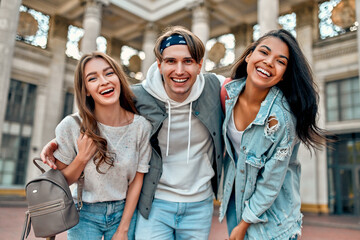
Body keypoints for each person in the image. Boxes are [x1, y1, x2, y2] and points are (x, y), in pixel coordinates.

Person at [41, 26, 224, 239]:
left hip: (198, 204)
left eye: (188, 61)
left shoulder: (215, 87)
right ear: (160, 64)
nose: (180, 70)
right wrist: (60, 140)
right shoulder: (140, 96)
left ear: (200, 65)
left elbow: (249, 92)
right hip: (152, 202)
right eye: (171, 61)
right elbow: (99, 114)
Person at [219, 29, 329, 240]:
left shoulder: (283, 119)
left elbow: (271, 182)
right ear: (249, 55)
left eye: (281, 61)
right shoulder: (228, 93)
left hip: (274, 220)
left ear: (284, 75)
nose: (269, 62)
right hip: (237, 202)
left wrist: (243, 225)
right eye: (264, 52)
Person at [45, 51, 152, 240]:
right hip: (84, 213)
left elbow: (137, 180)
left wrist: (123, 229)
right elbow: (62, 182)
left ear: (119, 78)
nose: (104, 81)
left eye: (109, 73)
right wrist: (82, 158)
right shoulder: (71, 126)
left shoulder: (141, 126)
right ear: (86, 89)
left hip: (124, 212)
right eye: (92, 78)